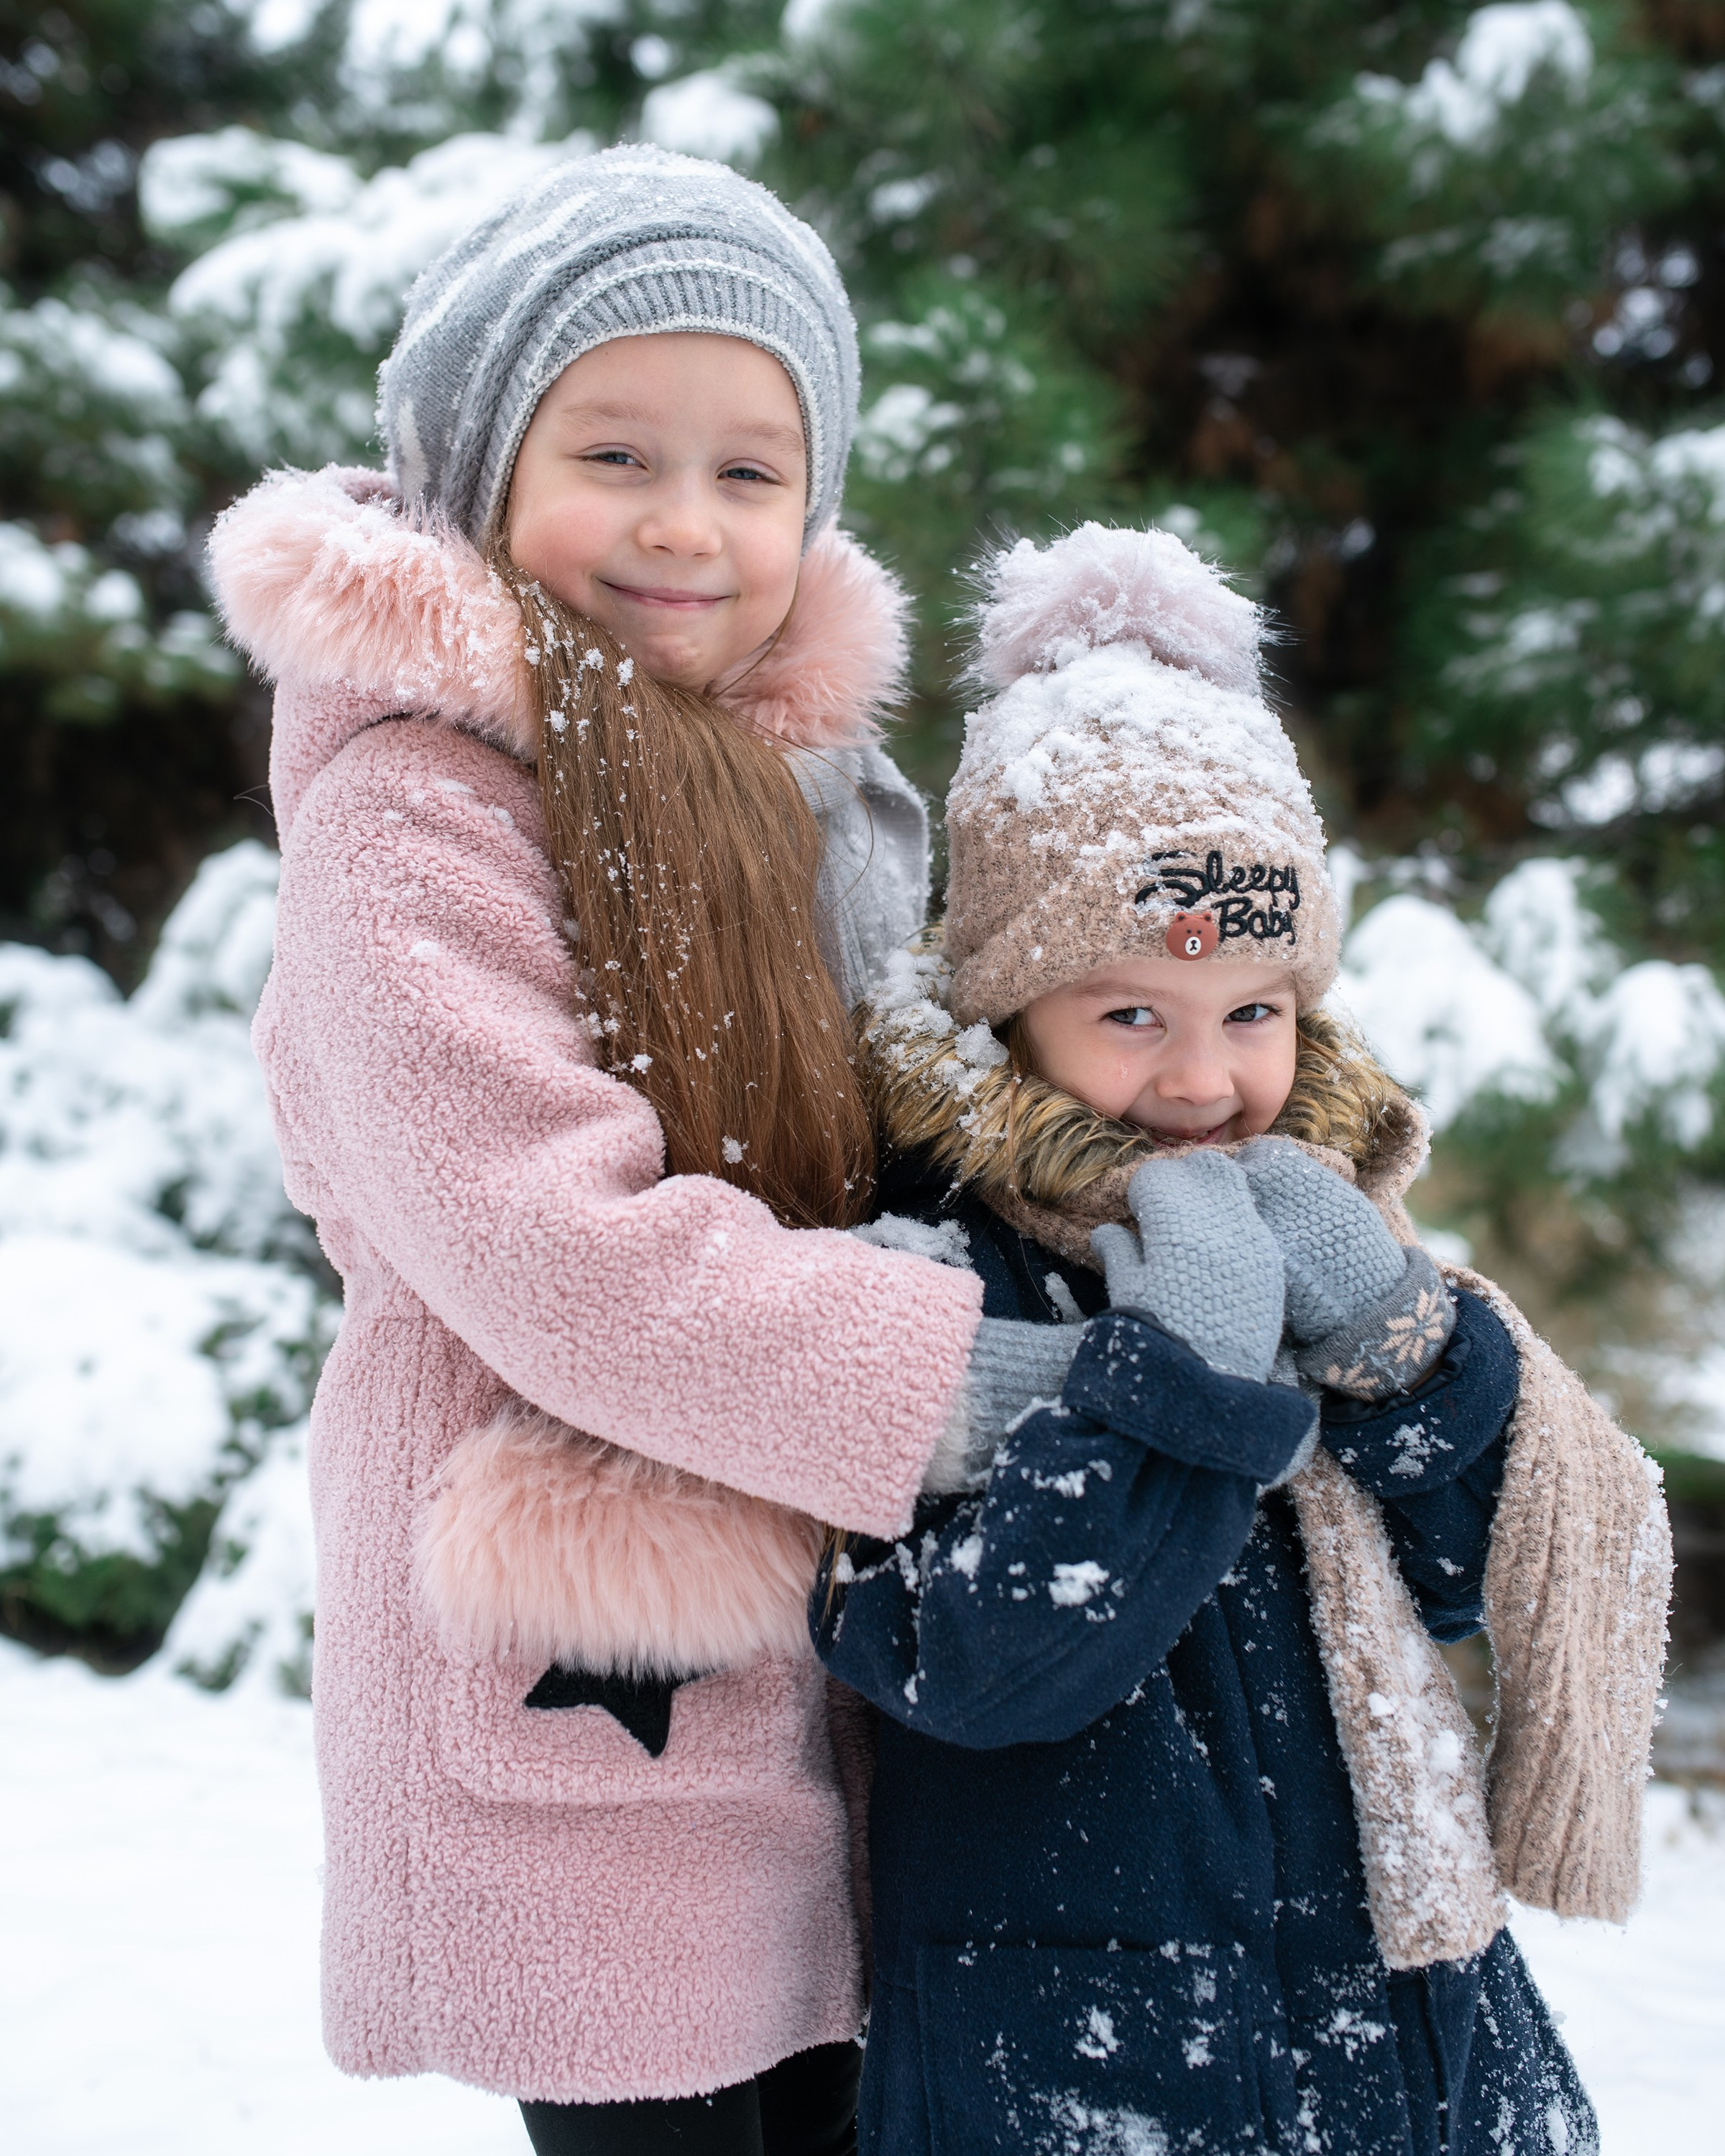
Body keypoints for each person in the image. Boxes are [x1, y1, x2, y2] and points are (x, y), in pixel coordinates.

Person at [206, 145, 1065, 2155]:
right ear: (480, 463)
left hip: (844, 1682)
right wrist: (983, 1387)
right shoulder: (417, 818)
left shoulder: (824, 799)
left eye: (751, 473)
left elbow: (941, 1106)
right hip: (591, 1677)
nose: (687, 526)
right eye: (617, 453)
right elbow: (556, 1249)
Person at [816, 522, 1673, 2155]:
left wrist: (1403, 1339)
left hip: (1393, 2019)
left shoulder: (1325, 1229)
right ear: (1007, 1009)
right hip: (1082, 2056)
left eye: (1255, 1014)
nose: (1205, 1082)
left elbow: (1465, 1568)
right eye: (1133, 1013)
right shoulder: (924, 1287)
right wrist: (1185, 1376)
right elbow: (990, 1664)